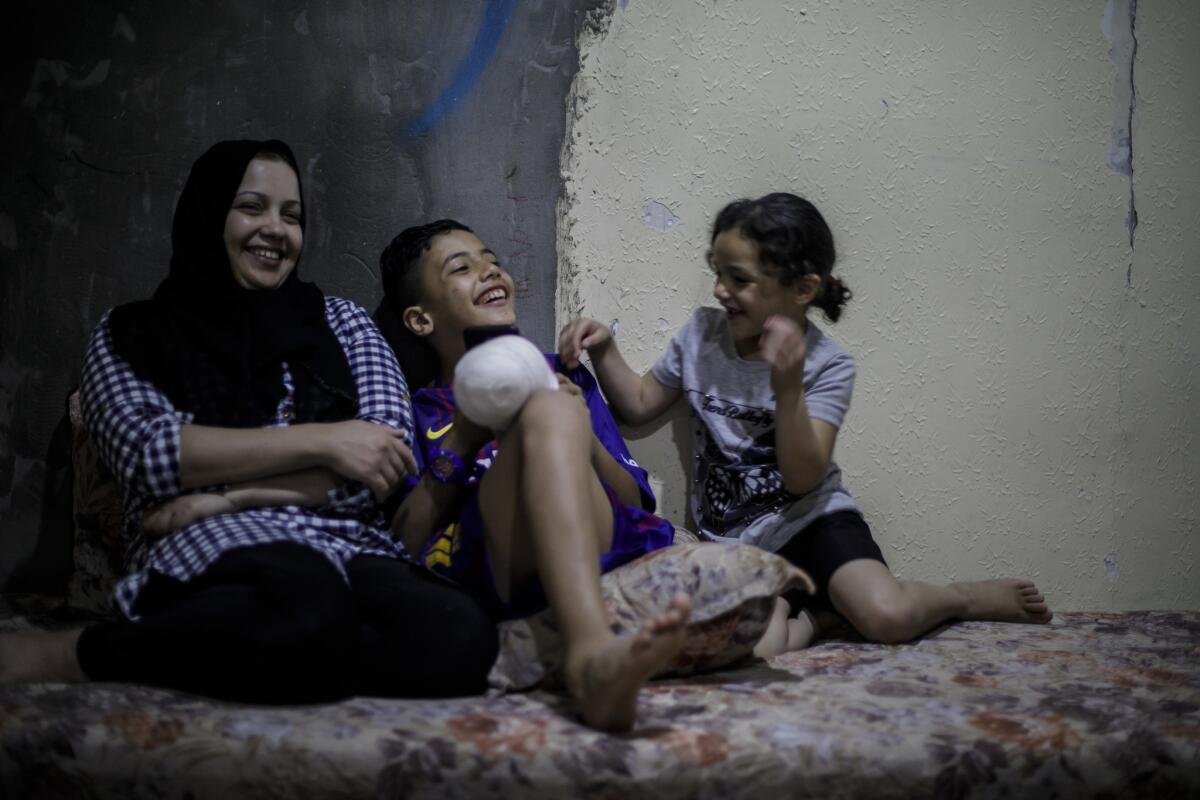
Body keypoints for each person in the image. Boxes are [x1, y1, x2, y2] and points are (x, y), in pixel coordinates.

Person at [0, 140, 498, 702]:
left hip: (347, 544)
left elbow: (383, 458)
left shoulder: (341, 322)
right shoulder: (133, 332)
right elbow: (151, 455)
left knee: (461, 635)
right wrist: (325, 440)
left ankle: (286, 655)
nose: (275, 230)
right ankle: (80, 653)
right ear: (210, 214)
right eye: (251, 207)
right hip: (209, 544)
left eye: (292, 215)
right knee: (303, 602)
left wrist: (224, 488)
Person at [559, 192, 1052, 657]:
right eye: (717, 273)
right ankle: (821, 619)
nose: (720, 290)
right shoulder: (701, 336)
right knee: (752, 648)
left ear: (802, 289)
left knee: (887, 619)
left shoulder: (827, 366)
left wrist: (788, 385)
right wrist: (604, 350)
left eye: (740, 279)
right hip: (731, 543)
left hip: (812, 522)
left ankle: (961, 598)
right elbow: (640, 403)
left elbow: (802, 479)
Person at [379, 219, 689, 731]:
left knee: (549, 406)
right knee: (544, 410)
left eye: (490, 258)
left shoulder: (566, 375)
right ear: (420, 320)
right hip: (501, 560)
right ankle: (592, 658)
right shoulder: (420, 410)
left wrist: (581, 432)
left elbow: (636, 504)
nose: (488, 270)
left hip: (602, 539)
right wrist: (463, 438)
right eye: (461, 267)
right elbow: (401, 544)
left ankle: (591, 653)